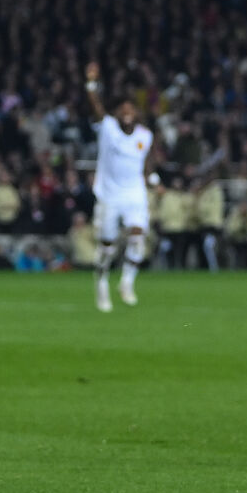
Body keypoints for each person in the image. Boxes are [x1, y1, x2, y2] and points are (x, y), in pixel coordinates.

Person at [85, 62, 157, 312]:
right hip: (109, 196)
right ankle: (102, 282)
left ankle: (126, 282)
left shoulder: (144, 135)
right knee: (107, 246)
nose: (127, 112)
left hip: (134, 194)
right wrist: (92, 83)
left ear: (136, 113)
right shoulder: (108, 129)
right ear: (117, 113)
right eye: (122, 109)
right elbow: (95, 106)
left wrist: (154, 179)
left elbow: (146, 161)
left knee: (137, 238)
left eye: (131, 108)